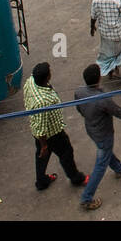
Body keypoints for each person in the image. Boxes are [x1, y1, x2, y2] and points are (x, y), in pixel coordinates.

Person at [74, 64, 121, 211]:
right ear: (98, 78)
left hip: (91, 129)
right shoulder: (102, 99)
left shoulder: (79, 91)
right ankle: (86, 198)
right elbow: (118, 111)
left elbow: (79, 108)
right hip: (104, 133)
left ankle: (119, 167)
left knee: (105, 152)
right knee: (100, 164)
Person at [23, 62, 88, 192]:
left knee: (42, 157)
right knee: (66, 153)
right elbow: (42, 128)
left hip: (38, 131)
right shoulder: (43, 101)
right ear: (46, 78)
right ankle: (76, 178)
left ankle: (41, 181)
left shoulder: (31, 81)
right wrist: (44, 145)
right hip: (52, 133)